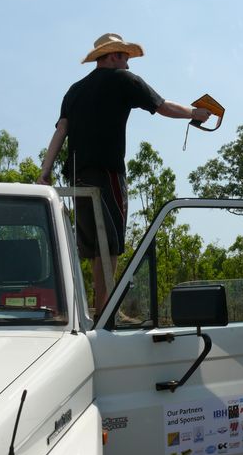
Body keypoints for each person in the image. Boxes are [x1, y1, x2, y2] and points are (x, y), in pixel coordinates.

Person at [37, 33, 211, 313]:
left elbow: (61, 130)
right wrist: (195, 113)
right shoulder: (124, 81)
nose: (128, 64)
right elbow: (163, 106)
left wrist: (45, 172)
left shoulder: (74, 90)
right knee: (112, 243)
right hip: (108, 174)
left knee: (95, 245)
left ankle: (99, 308)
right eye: (125, 57)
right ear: (113, 56)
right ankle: (108, 311)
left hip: (77, 176)